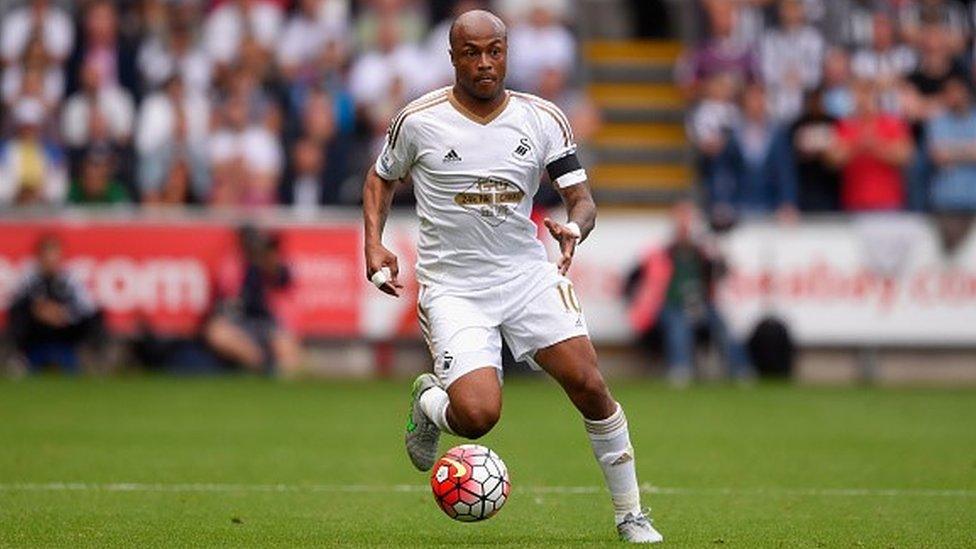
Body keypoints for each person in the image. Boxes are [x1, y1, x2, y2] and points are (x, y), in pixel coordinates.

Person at [361, 10, 663, 543]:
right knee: (477, 416)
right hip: (454, 287)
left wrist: (574, 226)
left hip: (526, 276)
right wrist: (374, 242)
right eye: (471, 52)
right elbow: (380, 179)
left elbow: (581, 198)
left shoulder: (543, 117)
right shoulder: (419, 119)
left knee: (591, 386)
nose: (484, 63)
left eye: (494, 51)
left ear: (507, 52)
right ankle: (430, 404)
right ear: (453, 57)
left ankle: (631, 514)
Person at [626, 202, 753, 386]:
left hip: (701, 306)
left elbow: (723, 272)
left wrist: (717, 254)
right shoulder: (661, 253)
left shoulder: (703, 255)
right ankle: (680, 369)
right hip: (668, 306)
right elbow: (632, 279)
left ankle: (741, 370)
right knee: (678, 324)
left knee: (722, 324)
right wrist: (635, 303)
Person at [7, 234, 101, 374]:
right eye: (47, 255)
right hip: (36, 334)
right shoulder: (28, 279)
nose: (51, 260)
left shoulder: (71, 280)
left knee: (95, 318)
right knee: (19, 315)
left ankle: (88, 358)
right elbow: (16, 306)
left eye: (54, 255)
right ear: (39, 257)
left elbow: (87, 307)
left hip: (65, 333)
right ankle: (19, 358)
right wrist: (38, 310)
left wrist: (64, 314)